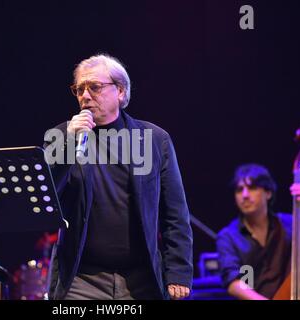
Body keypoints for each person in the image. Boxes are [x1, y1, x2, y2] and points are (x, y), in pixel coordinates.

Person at [43, 54, 193, 300]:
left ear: (121, 92)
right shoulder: (62, 136)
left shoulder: (154, 139)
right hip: (83, 279)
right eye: (79, 89)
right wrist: (68, 144)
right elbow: (48, 195)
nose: (85, 96)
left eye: (95, 87)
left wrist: (178, 271)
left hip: (140, 277)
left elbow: (175, 213)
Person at [216, 163, 300, 300]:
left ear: (268, 193)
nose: (245, 195)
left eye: (252, 188)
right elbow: (234, 282)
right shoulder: (228, 237)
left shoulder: (292, 225)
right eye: (239, 189)